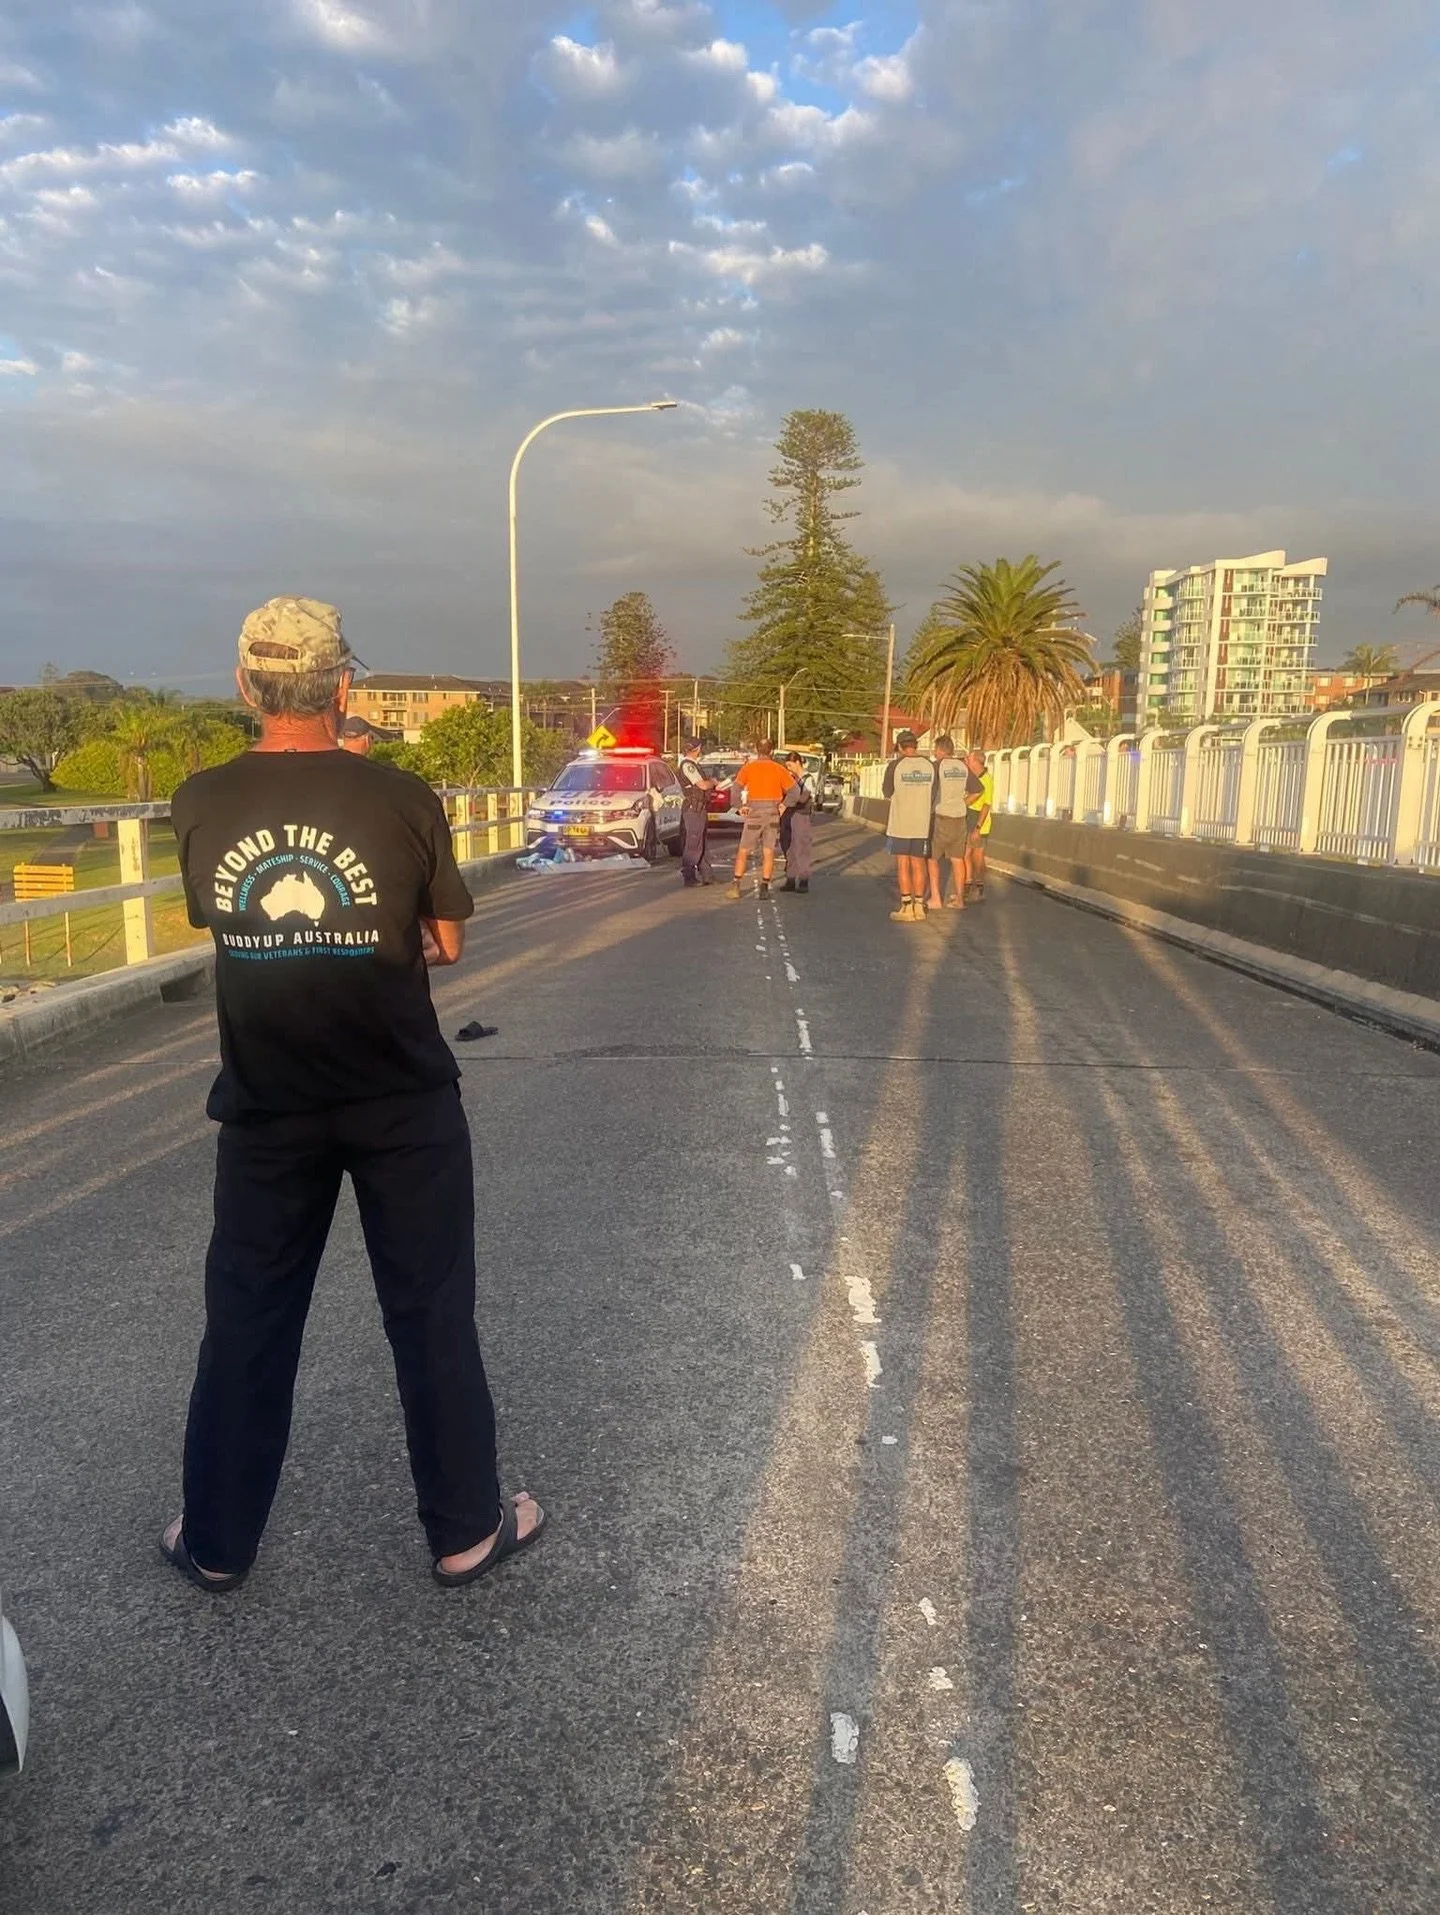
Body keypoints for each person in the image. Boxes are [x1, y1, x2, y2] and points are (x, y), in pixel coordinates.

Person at [161, 597, 543, 1594]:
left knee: (247, 1317)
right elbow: (448, 940)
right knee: (429, 1310)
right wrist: (384, 935)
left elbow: (226, 919)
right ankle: (465, 1530)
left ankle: (215, 1540)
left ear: (246, 686)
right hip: (402, 1100)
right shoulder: (405, 794)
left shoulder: (200, 799)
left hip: (266, 1102)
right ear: (344, 688)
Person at [883, 730, 938, 922]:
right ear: (915, 745)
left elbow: (887, 792)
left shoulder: (894, 766)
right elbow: (934, 794)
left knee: (903, 863)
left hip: (900, 823)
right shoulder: (930, 766)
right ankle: (919, 905)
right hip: (922, 823)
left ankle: (906, 907)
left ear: (899, 747)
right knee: (919, 863)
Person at [728, 741, 794, 899]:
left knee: (744, 849)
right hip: (772, 813)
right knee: (768, 851)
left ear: (757, 750)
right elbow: (794, 791)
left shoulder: (749, 768)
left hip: (754, 812)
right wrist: (784, 805)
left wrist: (739, 806)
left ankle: (736, 885)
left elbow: (735, 789)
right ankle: (765, 886)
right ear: (771, 751)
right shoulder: (779, 769)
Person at [928, 735, 972, 910]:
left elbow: (929, 791)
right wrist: (962, 803)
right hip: (960, 818)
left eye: (935, 749)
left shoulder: (937, 767)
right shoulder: (962, 767)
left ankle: (936, 898)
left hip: (941, 817)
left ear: (939, 750)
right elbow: (977, 790)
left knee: (932, 859)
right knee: (957, 859)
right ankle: (960, 899)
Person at [676, 738, 715, 887]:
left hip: (699, 808)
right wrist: (714, 783)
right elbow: (702, 785)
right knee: (693, 843)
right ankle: (689, 875)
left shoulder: (692, 765)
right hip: (694, 809)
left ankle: (707, 875)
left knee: (701, 842)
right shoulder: (688, 766)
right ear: (697, 749)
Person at [779, 752, 817, 893]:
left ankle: (803, 879)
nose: (788, 768)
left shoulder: (807, 779)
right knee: (788, 847)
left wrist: (790, 799)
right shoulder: (790, 778)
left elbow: (804, 797)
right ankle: (790, 878)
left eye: (790, 765)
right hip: (788, 815)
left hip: (801, 814)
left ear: (798, 763)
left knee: (802, 847)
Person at [965, 749, 994, 901]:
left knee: (978, 857)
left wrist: (978, 827)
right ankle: (967, 887)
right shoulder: (973, 777)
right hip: (970, 817)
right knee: (965, 855)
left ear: (976, 761)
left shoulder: (986, 780)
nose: (967, 763)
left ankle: (979, 888)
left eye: (969, 760)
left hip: (979, 822)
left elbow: (986, 805)